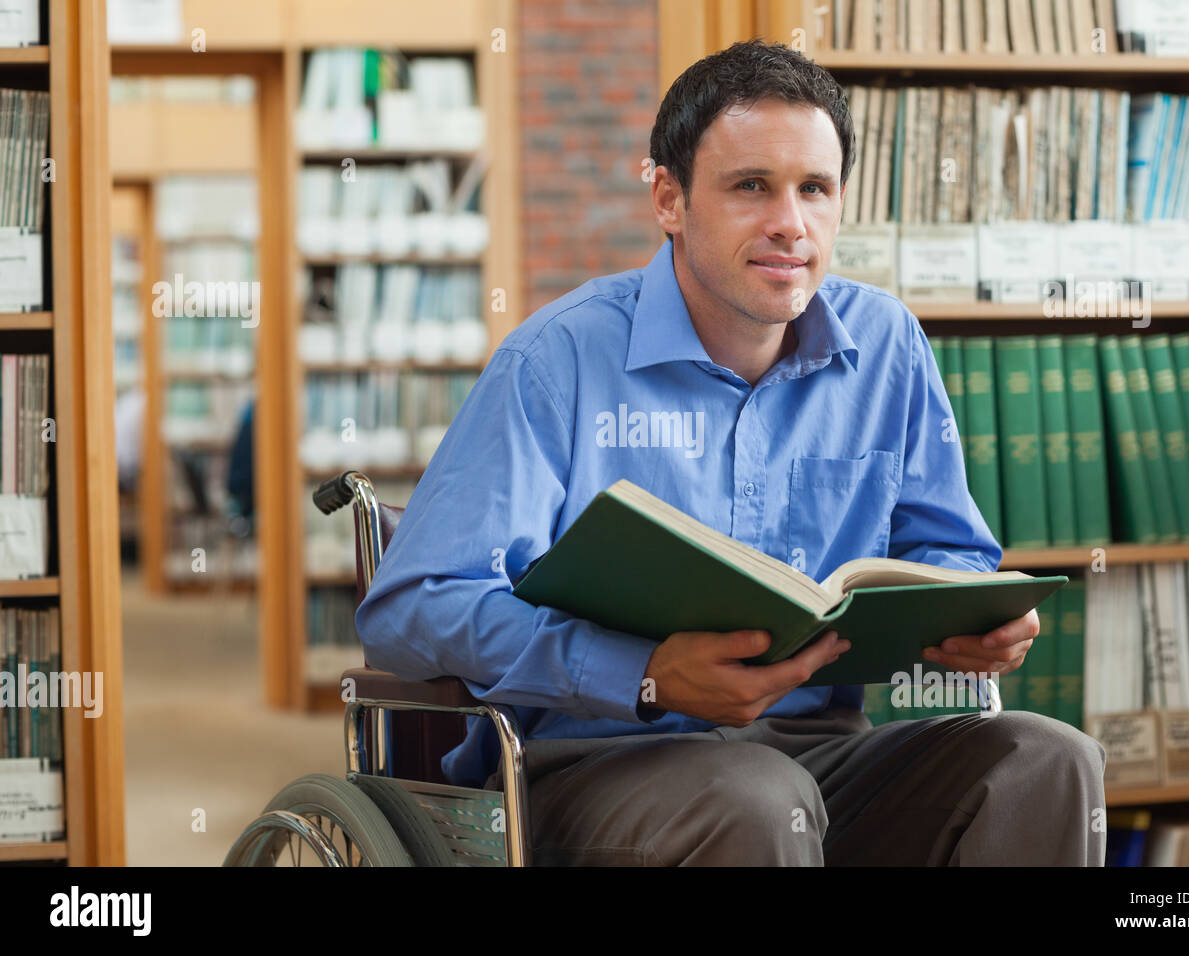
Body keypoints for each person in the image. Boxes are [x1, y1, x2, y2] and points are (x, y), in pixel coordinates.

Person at [355, 39, 1106, 866]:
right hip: (594, 765)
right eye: (752, 187)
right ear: (669, 200)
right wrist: (641, 673)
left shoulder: (887, 343)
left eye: (814, 189)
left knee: (1049, 760)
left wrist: (973, 615)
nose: (791, 223)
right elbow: (411, 608)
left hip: (818, 757)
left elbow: (950, 547)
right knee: (754, 799)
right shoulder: (557, 362)